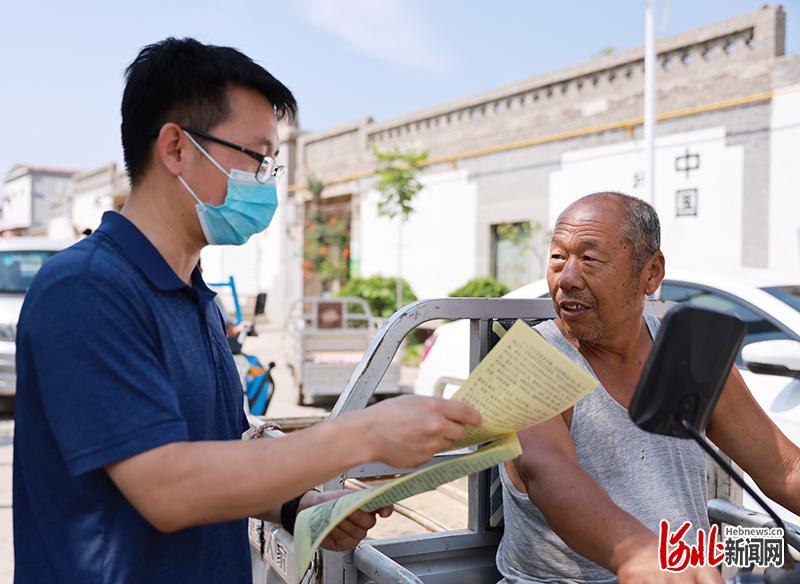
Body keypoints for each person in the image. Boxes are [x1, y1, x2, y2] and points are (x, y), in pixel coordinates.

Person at [12, 38, 482, 583]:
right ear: (176, 148)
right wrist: (366, 434)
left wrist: (297, 507)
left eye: (272, 164)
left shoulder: (194, 297)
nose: (265, 181)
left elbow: (219, 462)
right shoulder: (88, 290)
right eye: (256, 158)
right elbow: (169, 488)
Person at [496, 192, 800, 584]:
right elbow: (545, 472)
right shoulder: (527, 362)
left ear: (651, 272)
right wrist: (636, 553)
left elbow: (785, 469)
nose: (568, 279)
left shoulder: (689, 358)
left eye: (590, 259)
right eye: (558, 257)